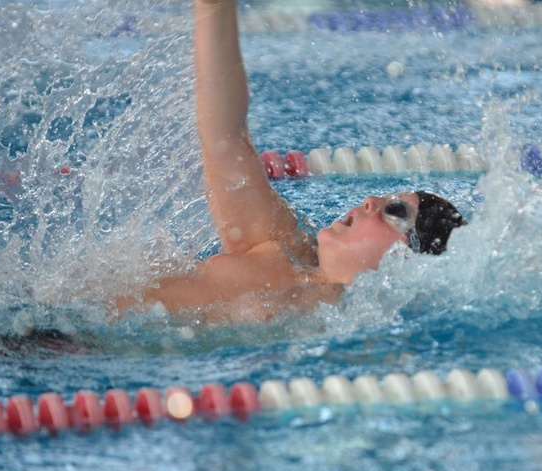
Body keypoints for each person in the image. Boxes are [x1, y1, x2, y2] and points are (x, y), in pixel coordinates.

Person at [116, 0, 467, 322]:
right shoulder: (282, 243)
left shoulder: (331, 313)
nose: (370, 201)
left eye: (396, 212)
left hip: (84, 348)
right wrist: (215, 9)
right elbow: (225, 137)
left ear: (407, 265)